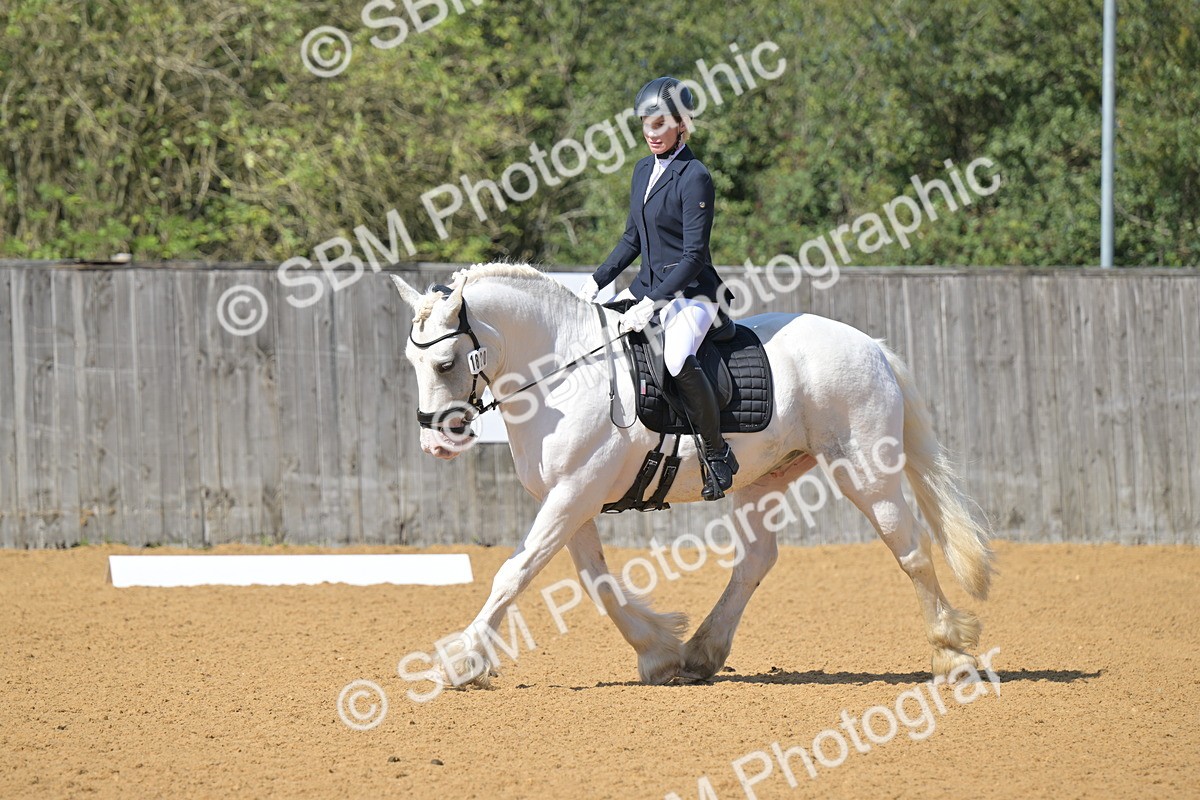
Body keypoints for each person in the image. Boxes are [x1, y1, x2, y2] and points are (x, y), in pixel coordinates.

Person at [576, 76, 739, 501]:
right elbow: (633, 238)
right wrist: (597, 280)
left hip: (693, 293)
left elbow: (693, 257)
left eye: (661, 125)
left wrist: (651, 302)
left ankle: (718, 453)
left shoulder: (695, 176)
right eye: (646, 125)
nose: (651, 133)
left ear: (681, 125)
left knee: (675, 354)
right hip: (648, 286)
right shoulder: (643, 169)